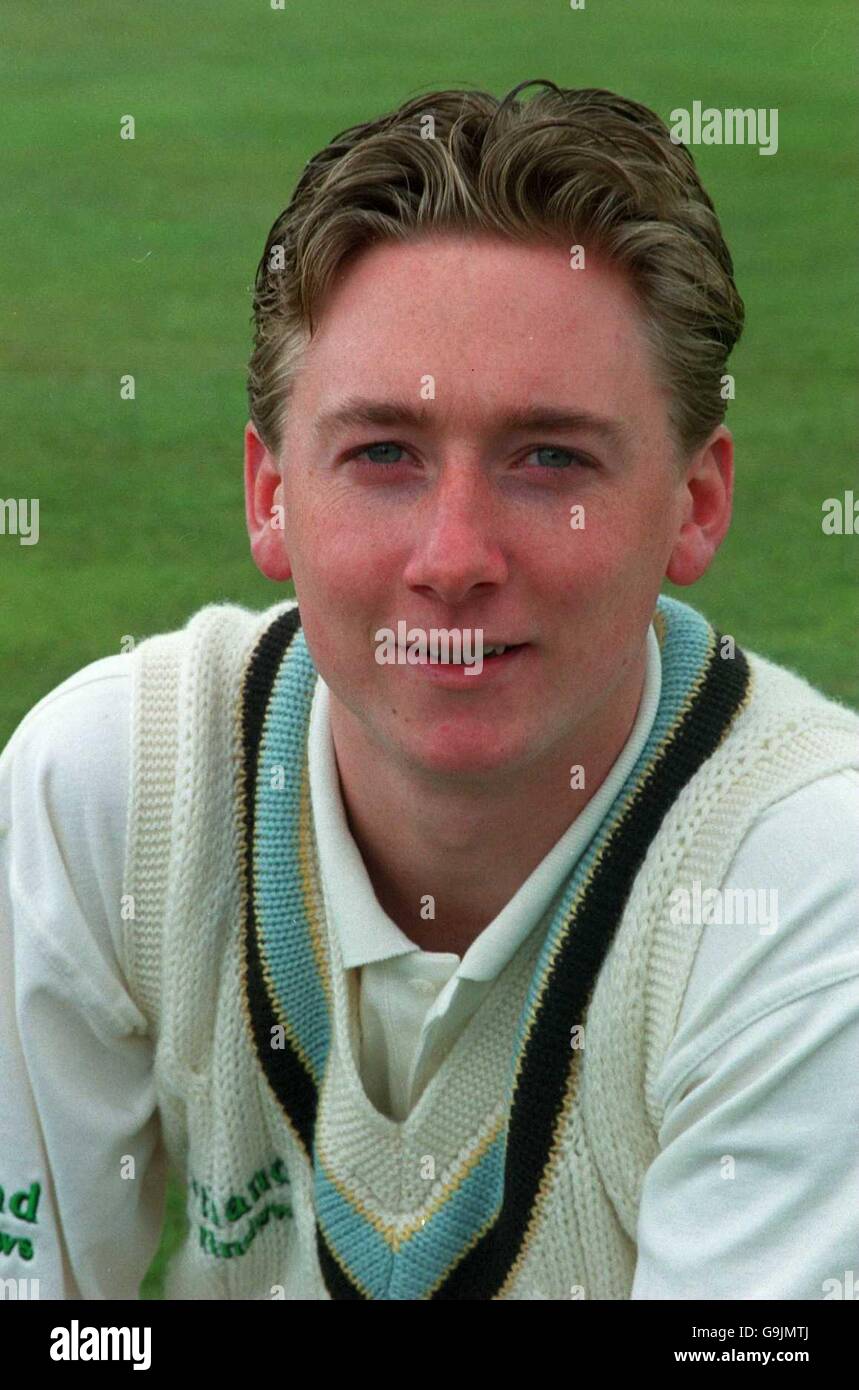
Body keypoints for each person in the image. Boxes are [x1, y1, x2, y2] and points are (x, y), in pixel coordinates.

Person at [1, 80, 857, 1302]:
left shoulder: (806, 889)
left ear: (695, 500)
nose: (453, 557)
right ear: (270, 495)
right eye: (383, 455)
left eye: (548, 456)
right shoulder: (115, 787)